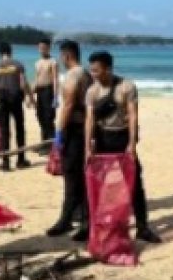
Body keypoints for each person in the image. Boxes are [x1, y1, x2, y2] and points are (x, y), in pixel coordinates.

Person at [84, 51, 162, 244]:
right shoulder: (92, 92)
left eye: (97, 70)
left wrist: (132, 144)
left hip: (122, 137)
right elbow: (90, 119)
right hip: (103, 138)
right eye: (91, 70)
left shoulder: (127, 86)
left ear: (108, 68)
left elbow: (133, 115)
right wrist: (87, 146)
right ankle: (98, 225)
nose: (93, 74)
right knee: (101, 184)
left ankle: (142, 227)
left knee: (135, 184)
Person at [46, 40, 92, 240]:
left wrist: (59, 132)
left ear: (67, 55)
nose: (61, 59)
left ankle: (69, 220)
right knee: (78, 176)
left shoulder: (75, 75)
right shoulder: (85, 74)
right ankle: (80, 218)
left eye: (61, 55)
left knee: (72, 176)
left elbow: (69, 105)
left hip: (75, 129)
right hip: (81, 129)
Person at [0, 42, 35, 171]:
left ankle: (5, 162)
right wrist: (30, 98)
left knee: (5, 130)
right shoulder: (17, 64)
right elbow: (22, 83)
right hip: (15, 98)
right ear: (10, 51)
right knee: (19, 128)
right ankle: (21, 160)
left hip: (2, 99)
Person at [34, 38, 60, 152]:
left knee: (49, 118)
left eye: (44, 48)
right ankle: (44, 143)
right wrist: (30, 94)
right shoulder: (37, 63)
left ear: (49, 48)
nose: (42, 50)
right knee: (40, 117)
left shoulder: (53, 62)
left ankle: (52, 145)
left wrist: (55, 96)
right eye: (40, 48)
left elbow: (55, 79)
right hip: (39, 91)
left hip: (49, 91)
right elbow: (37, 79)